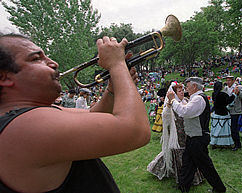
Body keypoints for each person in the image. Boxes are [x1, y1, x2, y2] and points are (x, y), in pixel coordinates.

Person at [0, 34, 150, 192]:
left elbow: (94, 115)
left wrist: (113, 88)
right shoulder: (23, 127)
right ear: (3, 77)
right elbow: (135, 130)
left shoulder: (23, 118)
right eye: (36, 59)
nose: (53, 63)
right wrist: (117, 64)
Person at [167, 77, 226, 193]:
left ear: (194, 86)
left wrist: (173, 100)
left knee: (205, 165)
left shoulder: (198, 99)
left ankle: (219, 188)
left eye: (187, 86)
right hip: (193, 137)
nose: (186, 89)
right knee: (187, 163)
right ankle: (184, 186)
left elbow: (185, 112)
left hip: (198, 138)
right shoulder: (196, 98)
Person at [147, 82, 203, 185]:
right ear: (174, 93)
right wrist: (169, 104)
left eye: (182, 90)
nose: (182, 92)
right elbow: (166, 116)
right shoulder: (170, 105)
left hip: (187, 131)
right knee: (178, 151)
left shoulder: (186, 101)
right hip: (176, 133)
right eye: (179, 91)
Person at [222, 75, 242, 151]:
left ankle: (237, 144)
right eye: (227, 80)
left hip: (235, 111)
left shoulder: (239, 87)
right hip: (227, 110)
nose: (228, 82)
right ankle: (231, 142)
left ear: (233, 81)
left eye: (229, 80)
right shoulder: (226, 88)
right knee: (229, 128)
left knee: (234, 128)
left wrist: (239, 93)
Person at [210, 81, 235, 149]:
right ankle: (224, 143)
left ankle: (215, 142)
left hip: (216, 113)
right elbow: (228, 102)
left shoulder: (214, 94)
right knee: (224, 129)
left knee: (216, 129)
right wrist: (234, 95)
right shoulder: (223, 94)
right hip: (223, 113)